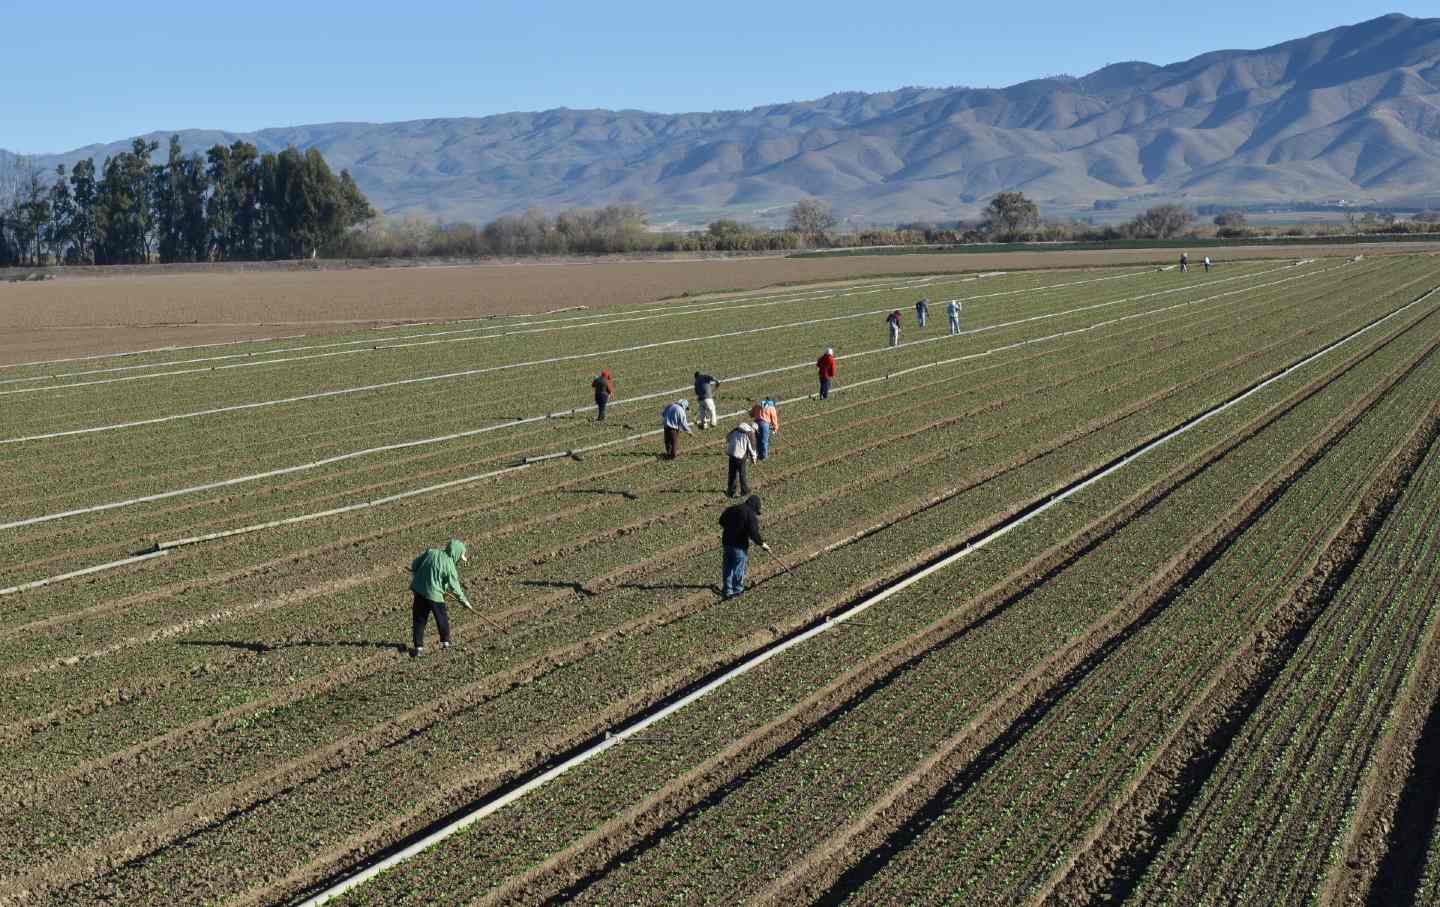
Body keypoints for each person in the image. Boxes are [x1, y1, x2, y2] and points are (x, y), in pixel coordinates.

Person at [408, 539, 473, 657]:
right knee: (442, 619)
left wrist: (418, 573)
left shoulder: (431, 553)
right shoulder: (450, 566)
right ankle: (445, 643)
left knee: (419, 620)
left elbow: (414, 565)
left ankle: (418, 648)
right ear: (457, 554)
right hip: (435, 595)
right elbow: (455, 587)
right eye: (460, 557)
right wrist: (464, 601)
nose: (459, 560)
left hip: (419, 591)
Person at [719, 494, 769, 599]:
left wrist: (731, 528)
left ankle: (727, 590)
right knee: (738, 568)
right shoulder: (750, 515)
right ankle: (738, 590)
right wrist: (762, 544)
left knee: (728, 567)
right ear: (755, 507)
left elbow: (721, 521)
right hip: (739, 545)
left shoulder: (732, 509)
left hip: (727, 543)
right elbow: (754, 533)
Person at [726, 422, 758, 497]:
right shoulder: (750, 434)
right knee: (742, 475)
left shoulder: (736, 429)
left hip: (732, 454)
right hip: (741, 457)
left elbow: (728, 437)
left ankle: (731, 491)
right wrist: (754, 459)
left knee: (732, 474)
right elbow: (752, 448)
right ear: (754, 429)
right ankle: (744, 491)